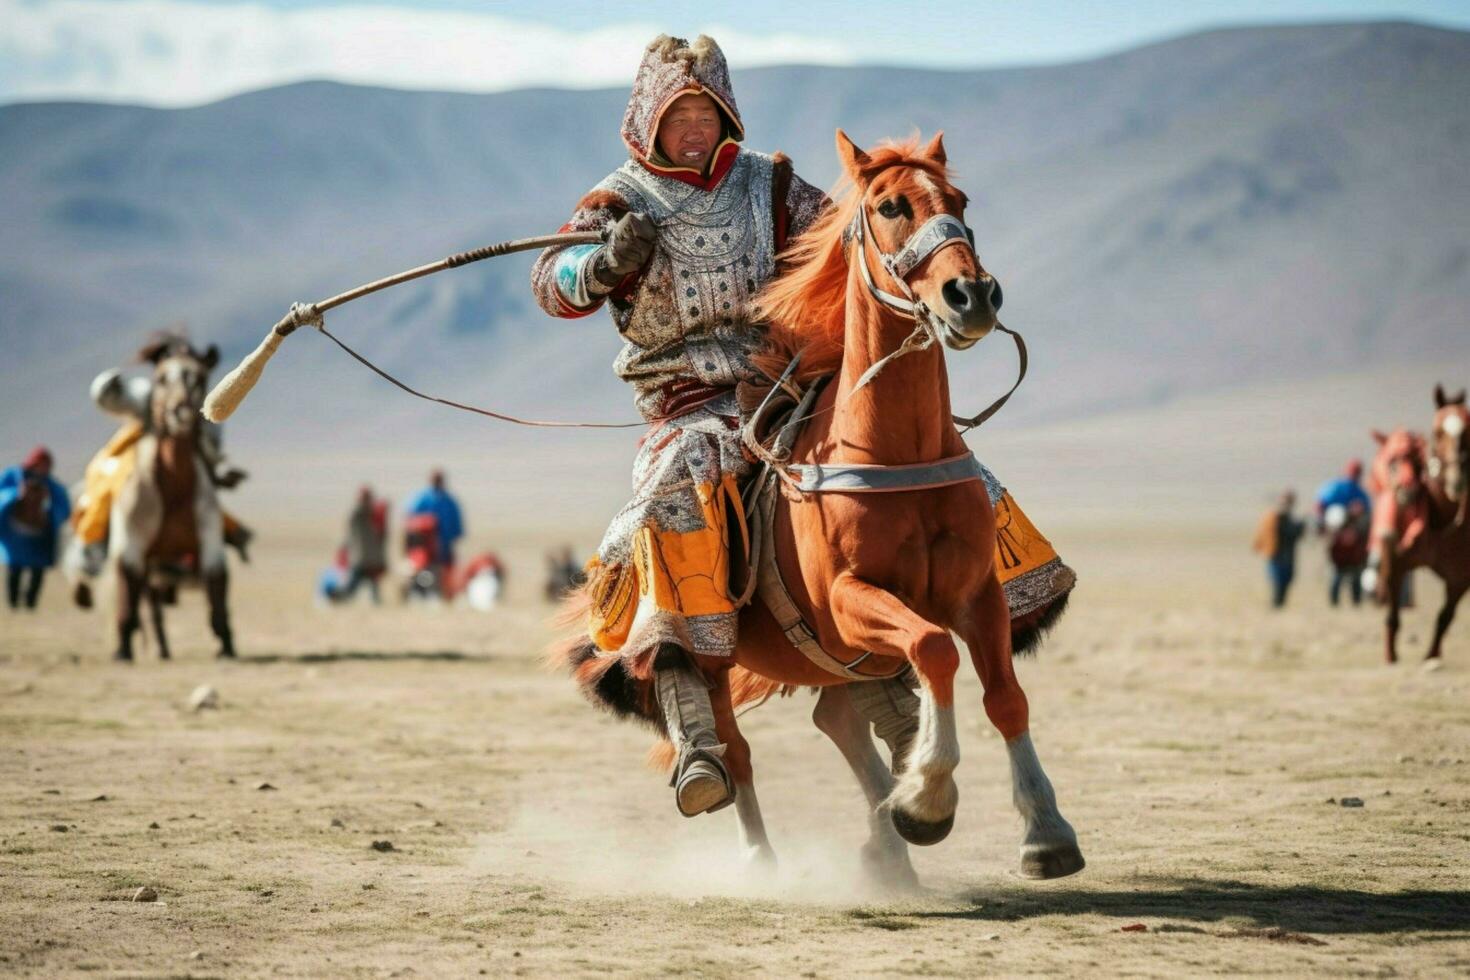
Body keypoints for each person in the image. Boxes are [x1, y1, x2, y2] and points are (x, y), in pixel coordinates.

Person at [530, 34, 1077, 817]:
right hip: (689, 403)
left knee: (942, 471)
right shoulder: (617, 200)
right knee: (670, 502)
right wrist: (604, 263)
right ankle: (696, 734)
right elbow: (551, 284)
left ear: (727, 113)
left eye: (706, 111)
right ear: (648, 120)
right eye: (678, 114)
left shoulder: (775, 186)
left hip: (791, 378)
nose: (694, 127)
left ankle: (986, 606)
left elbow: (857, 240)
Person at [69, 331, 252, 607]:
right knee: (107, 484)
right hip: (144, 448)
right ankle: (91, 550)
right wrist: (108, 388)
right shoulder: (149, 392)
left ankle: (227, 536)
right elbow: (112, 400)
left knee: (205, 495)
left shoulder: (210, 404)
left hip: (192, 451)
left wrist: (221, 466)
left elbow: (212, 446)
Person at [0, 447, 71, 610]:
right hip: (14, 532)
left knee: (37, 571)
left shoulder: (51, 486)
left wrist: (49, 506)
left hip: (38, 534)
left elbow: (62, 507)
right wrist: (16, 495)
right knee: (14, 569)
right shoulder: (14, 477)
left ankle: (31, 603)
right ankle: (13, 603)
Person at [328, 486, 387, 605]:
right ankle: (335, 597)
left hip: (371, 560)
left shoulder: (373, 515)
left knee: (372, 588)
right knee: (352, 588)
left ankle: (338, 597)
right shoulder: (358, 514)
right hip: (361, 559)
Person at [1253, 490, 1306, 608]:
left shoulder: (1292, 520)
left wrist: (1302, 526)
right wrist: (1258, 544)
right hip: (1275, 555)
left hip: (1288, 555)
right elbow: (1263, 532)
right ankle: (1276, 606)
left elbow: (1296, 534)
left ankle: (1280, 605)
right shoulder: (1272, 517)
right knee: (1277, 582)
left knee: (1287, 581)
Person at [405, 469, 463, 568]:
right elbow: (411, 517)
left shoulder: (448, 500)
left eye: (439, 479)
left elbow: (456, 521)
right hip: (424, 544)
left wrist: (454, 534)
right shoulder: (423, 498)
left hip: (445, 543)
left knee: (445, 568)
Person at [1325, 498, 1370, 607]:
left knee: (1356, 581)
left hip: (1355, 559)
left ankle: (1356, 602)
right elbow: (1332, 542)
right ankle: (1334, 602)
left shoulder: (1363, 524)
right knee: (1337, 580)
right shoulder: (1339, 522)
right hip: (1340, 559)